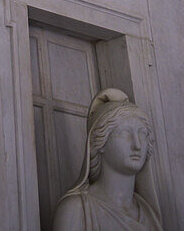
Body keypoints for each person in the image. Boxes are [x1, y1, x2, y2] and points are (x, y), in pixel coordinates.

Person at [52, 88, 163, 231]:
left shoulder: (148, 213)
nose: (137, 145)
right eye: (125, 133)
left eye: (142, 134)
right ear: (100, 142)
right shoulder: (76, 210)